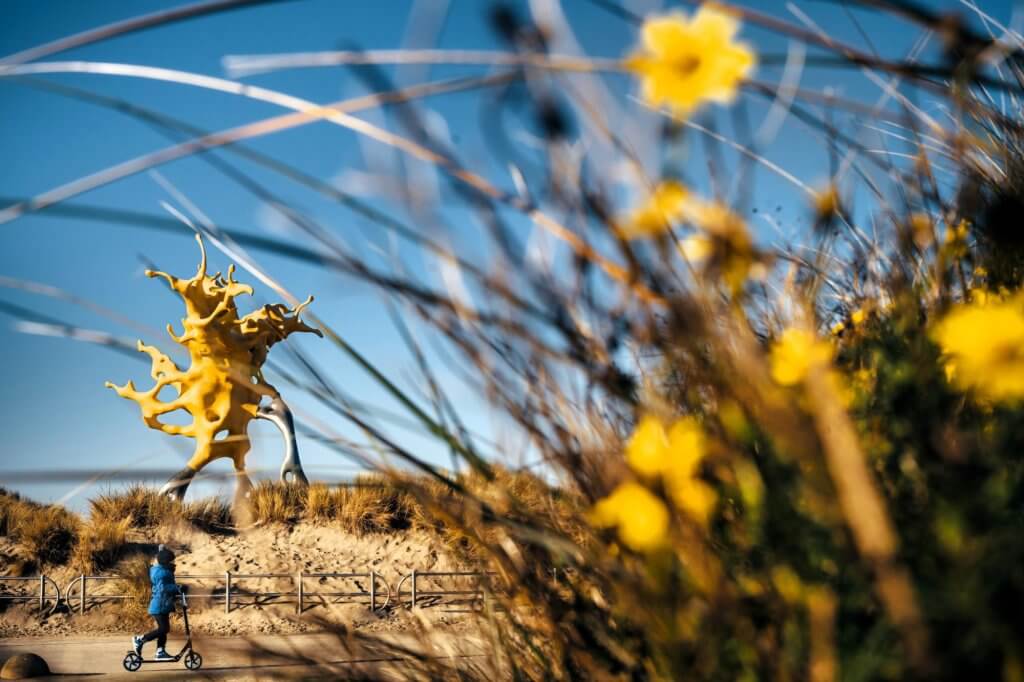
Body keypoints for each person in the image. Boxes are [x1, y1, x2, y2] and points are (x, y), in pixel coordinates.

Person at [132, 544, 182, 661]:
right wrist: (177, 588)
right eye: (171, 560)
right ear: (165, 561)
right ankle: (140, 640)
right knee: (163, 629)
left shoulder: (163, 570)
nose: (173, 562)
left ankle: (160, 651)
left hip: (163, 604)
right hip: (159, 604)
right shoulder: (162, 573)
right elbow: (163, 588)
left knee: (164, 629)